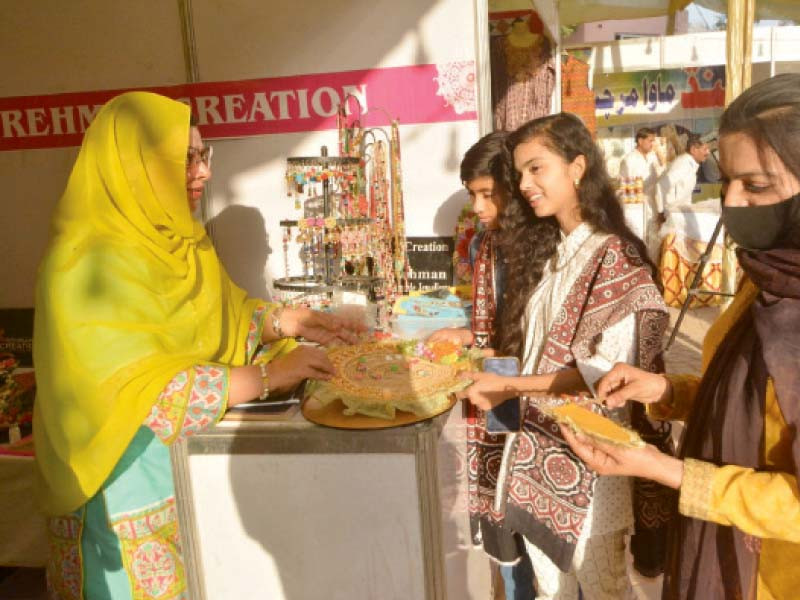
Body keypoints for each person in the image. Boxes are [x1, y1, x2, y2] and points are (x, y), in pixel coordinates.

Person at [33, 91, 363, 599]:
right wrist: (275, 375)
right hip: (120, 487)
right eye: (186, 158)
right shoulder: (81, 268)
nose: (203, 172)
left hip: (188, 469)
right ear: (135, 166)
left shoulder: (181, 242)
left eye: (203, 155)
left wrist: (292, 320)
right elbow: (152, 392)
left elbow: (225, 320)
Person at [561, 73, 800, 600]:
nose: (732, 201)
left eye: (756, 186)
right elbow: (750, 403)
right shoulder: (767, 279)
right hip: (720, 543)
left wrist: (665, 470)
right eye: (727, 180)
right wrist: (666, 392)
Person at [461, 112, 669, 599]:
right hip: (539, 465)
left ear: (577, 167)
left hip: (594, 473)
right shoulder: (554, 253)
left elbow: (603, 380)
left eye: (538, 169)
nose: (527, 184)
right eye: (521, 173)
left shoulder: (615, 257)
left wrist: (507, 387)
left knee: (602, 591)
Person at [429, 132, 536, 600]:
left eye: (487, 194)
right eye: (473, 194)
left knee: (537, 534)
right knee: (504, 527)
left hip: (536, 407)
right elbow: (494, 323)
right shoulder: (490, 245)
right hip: (501, 403)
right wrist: (468, 336)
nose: (477, 206)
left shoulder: (546, 246)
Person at [619, 127, 665, 260]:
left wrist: (662, 160)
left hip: (652, 203)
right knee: (638, 236)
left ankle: (653, 268)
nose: (653, 144)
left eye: (654, 141)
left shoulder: (652, 157)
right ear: (640, 140)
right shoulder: (629, 160)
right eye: (650, 141)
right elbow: (629, 188)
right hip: (635, 206)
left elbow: (660, 178)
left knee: (654, 237)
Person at [654, 133, 710, 220]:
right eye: (705, 149)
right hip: (671, 215)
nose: (708, 152)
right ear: (693, 150)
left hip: (680, 215)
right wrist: (660, 213)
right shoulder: (683, 164)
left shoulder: (691, 164)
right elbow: (661, 185)